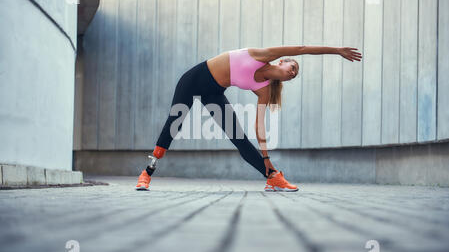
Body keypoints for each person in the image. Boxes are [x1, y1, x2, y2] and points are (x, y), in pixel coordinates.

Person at [136, 46, 362, 191]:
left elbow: (259, 126)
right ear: (282, 61)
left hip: (213, 93)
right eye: (292, 67)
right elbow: (302, 48)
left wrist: (266, 158)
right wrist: (337, 51)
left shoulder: (264, 89)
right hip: (194, 79)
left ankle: (272, 176)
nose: (293, 72)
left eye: (295, 74)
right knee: (174, 123)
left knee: (240, 140)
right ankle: (147, 173)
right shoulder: (262, 56)